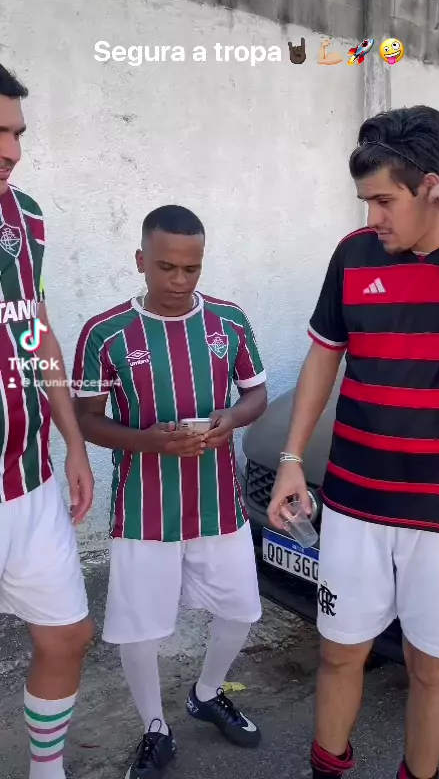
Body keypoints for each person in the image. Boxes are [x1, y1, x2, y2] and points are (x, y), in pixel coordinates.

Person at [268, 105, 439, 779]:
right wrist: (291, 460)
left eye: (384, 201)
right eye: (366, 202)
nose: (373, 217)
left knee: (430, 667)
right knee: (339, 651)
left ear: (433, 190)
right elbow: (323, 357)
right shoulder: (353, 255)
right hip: (356, 503)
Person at [72, 204, 267, 778]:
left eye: (191, 268)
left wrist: (231, 420)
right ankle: (155, 726)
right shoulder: (105, 332)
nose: (179, 281)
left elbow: (255, 394)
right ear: (141, 261)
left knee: (241, 609)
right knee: (140, 627)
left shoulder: (229, 321)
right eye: (166, 267)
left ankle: (206, 693)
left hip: (219, 502)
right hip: (143, 508)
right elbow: (85, 419)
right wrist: (148, 442)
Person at [0, 66, 94, 778]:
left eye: (18, 133)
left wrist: (74, 441)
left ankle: (46, 771)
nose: (12, 152)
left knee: (67, 634)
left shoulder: (24, 217)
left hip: (27, 481)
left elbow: (36, 330)